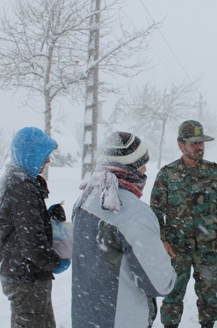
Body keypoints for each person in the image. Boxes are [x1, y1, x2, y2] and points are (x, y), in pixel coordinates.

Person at [71, 131, 177, 328]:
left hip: (85, 317)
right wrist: (168, 269)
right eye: (141, 163)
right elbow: (159, 283)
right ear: (130, 167)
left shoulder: (87, 198)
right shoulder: (134, 214)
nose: (145, 169)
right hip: (121, 319)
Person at [150, 120, 217, 328]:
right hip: (177, 249)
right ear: (181, 145)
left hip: (207, 248)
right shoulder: (167, 174)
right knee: (172, 295)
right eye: (194, 142)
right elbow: (155, 212)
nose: (199, 147)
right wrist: (162, 240)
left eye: (201, 142)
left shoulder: (214, 172)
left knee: (209, 295)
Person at [0, 126, 70, 328]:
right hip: (26, 278)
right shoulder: (22, 187)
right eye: (43, 155)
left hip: (21, 273)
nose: (47, 160)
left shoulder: (16, 181)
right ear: (30, 154)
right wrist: (55, 261)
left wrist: (48, 216)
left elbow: (23, 226)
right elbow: (32, 244)